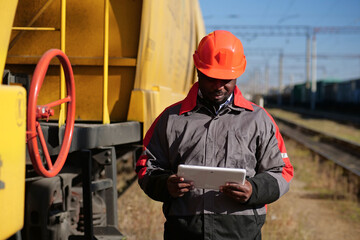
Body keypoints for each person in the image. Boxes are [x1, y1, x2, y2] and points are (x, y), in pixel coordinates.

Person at [135, 30, 294, 240]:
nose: (219, 86)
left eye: (226, 79)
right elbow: (146, 166)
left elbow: (282, 171)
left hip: (241, 233)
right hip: (184, 231)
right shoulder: (171, 119)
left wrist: (253, 189)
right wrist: (166, 185)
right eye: (211, 78)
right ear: (199, 71)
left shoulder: (259, 120)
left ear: (237, 74)